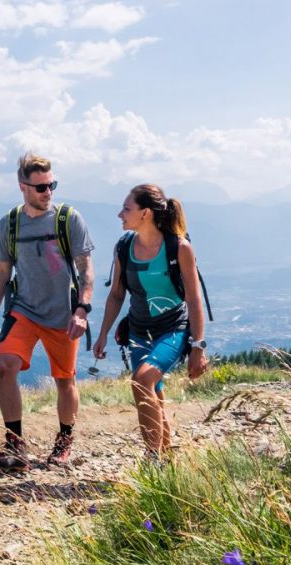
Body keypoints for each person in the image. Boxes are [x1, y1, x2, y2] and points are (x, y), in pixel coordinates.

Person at [0, 152, 94, 471]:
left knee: (65, 380)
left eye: (52, 185)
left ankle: (64, 442)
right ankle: (15, 444)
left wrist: (82, 310)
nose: (48, 192)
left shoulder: (68, 219)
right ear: (23, 187)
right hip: (24, 310)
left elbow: (86, 268)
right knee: (5, 366)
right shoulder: (10, 223)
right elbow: (3, 270)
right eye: (41, 187)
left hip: (63, 314)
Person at [92, 183, 208, 465]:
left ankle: (152, 458)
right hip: (137, 331)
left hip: (173, 330)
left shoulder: (178, 247)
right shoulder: (123, 247)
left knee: (142, 380)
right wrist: (103, 333)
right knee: (153, 391)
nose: (121, 214)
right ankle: (166, 461)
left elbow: (194, 299)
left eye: (126, 209)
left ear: (145, 213)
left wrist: (198, 346)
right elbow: (117, 294)